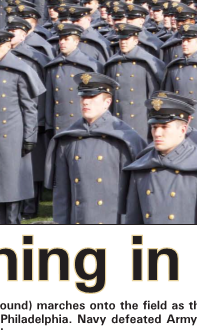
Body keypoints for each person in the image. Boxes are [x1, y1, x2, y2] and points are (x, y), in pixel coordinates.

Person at [121, 95, 197, 223]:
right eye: (154, 127)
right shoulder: (140, 169)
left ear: (183, 129)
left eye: (164, 127)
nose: (157, 133)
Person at [46, 73, 147, 224]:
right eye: (83, 97)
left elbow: (132, 195)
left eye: (92, 97)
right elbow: (62, 194)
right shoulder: (67, 139)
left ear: (107, 102)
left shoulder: (125, 139)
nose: (86, 102)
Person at [0, 29, 45, 224]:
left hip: (14, 134)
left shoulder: (19, 71)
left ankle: (13, 221)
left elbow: (29, 107)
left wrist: (30, 137)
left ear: (8, 45)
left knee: (13, 183)